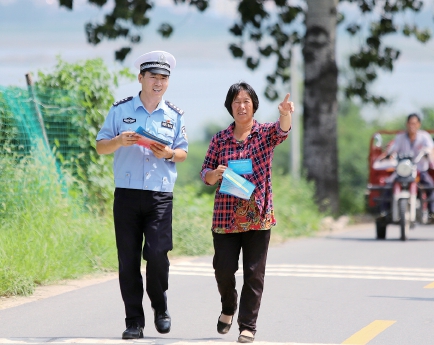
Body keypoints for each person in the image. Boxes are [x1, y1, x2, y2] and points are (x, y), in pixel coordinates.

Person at [95, 50, 188, 339]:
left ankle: (160, 307)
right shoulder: (120, 110)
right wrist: (118, 141)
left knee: (158, 254)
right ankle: (134, 320)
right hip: (127, 194)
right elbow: (100, 146)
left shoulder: (174, 115)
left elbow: (183, 152)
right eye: (153, 77)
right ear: (141, 78)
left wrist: (170, 152)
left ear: (168, 82)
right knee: (128, 259)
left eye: (163, 78)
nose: (158, 82)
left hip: (160, 196)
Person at [200, 82, 293, 343]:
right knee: (223, 269)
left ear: (254, 106)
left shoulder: (264, 134)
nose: (241, 106)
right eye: (236, 102)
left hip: (257, 216)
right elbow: (205, 175)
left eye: (246, 101)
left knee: (254, 273)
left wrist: (285, 113)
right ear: (230, 107)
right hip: (225, 217)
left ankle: (247, 326)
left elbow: (281, 131)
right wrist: (214, 174)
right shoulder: (219, 139)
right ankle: (228, 307)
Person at [382, 113, 434, 222]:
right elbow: (393, 150)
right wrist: (389, 156)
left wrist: (432, 155)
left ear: (419, 124)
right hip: (402, 171)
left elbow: (432, 150)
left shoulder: (425, 137)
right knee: (388, 184)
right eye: (410, 123)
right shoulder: (400, 137)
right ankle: (384, 212)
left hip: (420, 171)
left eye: (414, 123)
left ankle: (433, 212)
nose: (411, 126)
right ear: (406, 124)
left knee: (430, 185)